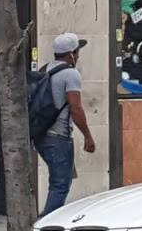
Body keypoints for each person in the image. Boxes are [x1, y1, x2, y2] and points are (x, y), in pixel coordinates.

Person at [37, 32, 96, 217]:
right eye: (77, 52)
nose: (78, 56)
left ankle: (47, 219)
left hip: (42, 135)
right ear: (71, 54)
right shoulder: (71, 74)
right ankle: (46, 224)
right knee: (60, 184)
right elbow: (75, 108)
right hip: (59, 137)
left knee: (58, 181)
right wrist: (88, 136)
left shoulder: (45, 69)